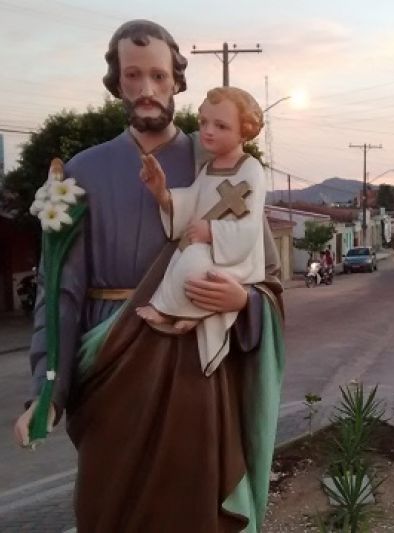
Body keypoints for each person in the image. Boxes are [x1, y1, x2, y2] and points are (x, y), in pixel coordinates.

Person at [13, 20, 284, 533]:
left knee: (194, 504)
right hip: (111, 363)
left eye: (158, 75)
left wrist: (240, 300)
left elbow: (265, 278)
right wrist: (47, 393)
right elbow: (60, 294)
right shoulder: (84, 172)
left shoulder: (221, 164)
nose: (147, 89)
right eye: (133, 75)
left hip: (197, 369)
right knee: (107, 506)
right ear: (116, 81)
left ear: (177, 81)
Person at [136, 86, 267, 376]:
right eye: (204, 122)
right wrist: (162, 193)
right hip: (206, 246)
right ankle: (189, 313)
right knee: (187, 261)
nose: (208, 131)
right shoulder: (209, 169)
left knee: (196, 267)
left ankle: (175, 311)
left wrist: (212, 231)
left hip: (234, 255)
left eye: (221, 126)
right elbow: (191, 202)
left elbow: (249, 225)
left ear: (243, 131)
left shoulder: (251, 169)